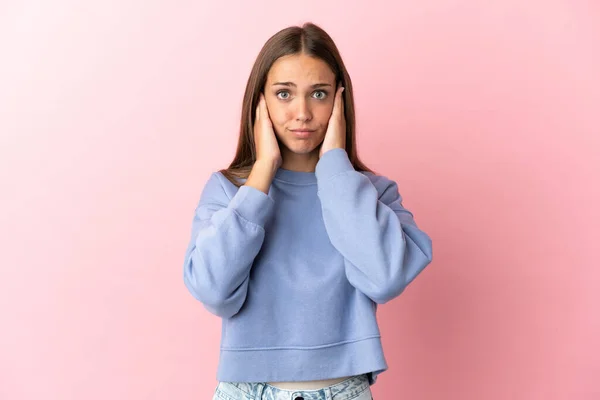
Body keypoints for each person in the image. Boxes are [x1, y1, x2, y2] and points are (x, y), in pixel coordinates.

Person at [182, 22, 433, 400]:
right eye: (284, 94)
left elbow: (384, 280)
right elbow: (215, 292)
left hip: (343, 389)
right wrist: (263, 170)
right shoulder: (228, 191)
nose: (302, 112)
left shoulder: (373, 195)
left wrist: (334, 165)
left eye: (318, 93)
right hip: (245, 391)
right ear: (260, 103)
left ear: (339, 101)